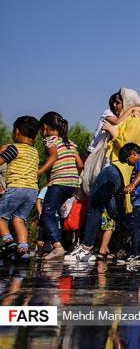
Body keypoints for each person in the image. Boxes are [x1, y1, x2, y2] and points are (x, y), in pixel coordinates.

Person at [66, 88, 140, 263]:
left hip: (117, 167)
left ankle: (86, 247)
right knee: (115, 211)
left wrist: (113, 131)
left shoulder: (137, 119)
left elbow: (129, 145)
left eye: (120, 101)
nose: (117, 105)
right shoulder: (131, 116)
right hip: (113, 166)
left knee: (96, 201)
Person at [37, 112, 84, 260]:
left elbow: (53, 157)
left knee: (46, 213)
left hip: (60, 181)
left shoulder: (50, 140)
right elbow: (80, 164)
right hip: (72, 183)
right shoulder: (70, 142)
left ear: (45, 127)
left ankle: (57, 247)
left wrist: (40, 171)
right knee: (53, 213)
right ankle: (52, 244)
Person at [0, 116, 41, 261]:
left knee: (1, 217)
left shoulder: (14, 148)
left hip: (16, 188)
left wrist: (1, 150)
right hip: (32, 191)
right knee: (19, 220)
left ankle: (9, 243)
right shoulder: (34, 151)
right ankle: (23, 251)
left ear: (16, 131)